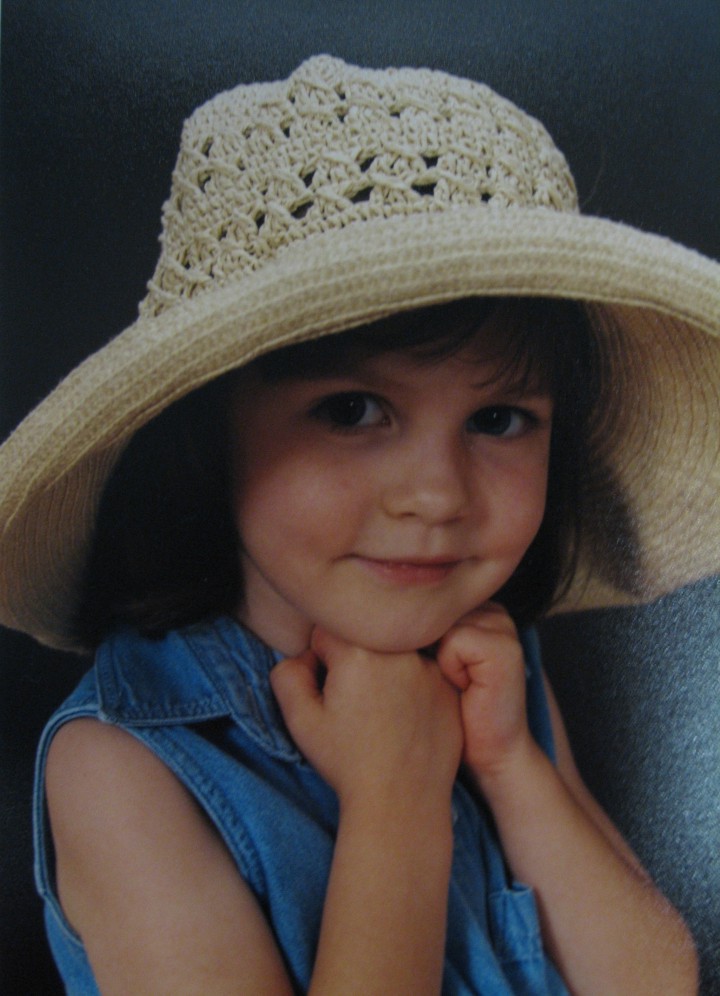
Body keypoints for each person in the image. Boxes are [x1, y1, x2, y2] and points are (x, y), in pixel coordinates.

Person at [0, 55, 715, 993]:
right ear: (210, 439)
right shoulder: (121, 770)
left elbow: (653, 982)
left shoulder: (496, 668)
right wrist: (397, 800)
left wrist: (507, 766)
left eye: (499, 421)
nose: (437, 497)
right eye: (351, 412)